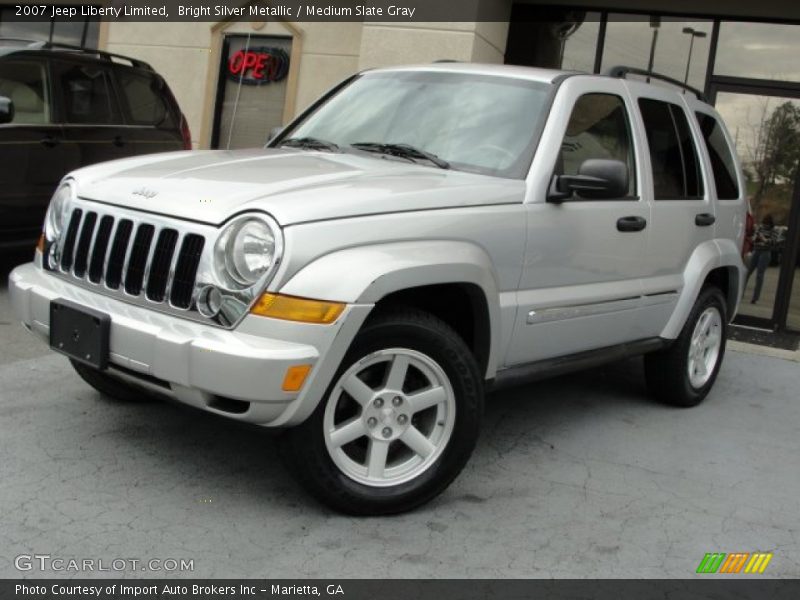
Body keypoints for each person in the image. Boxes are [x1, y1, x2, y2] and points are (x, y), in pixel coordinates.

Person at [745, 214, 777, 304]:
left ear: (770, 223)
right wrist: (755, 237)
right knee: (748, 272)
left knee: (759, 275)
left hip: (765, 253)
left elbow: (773, 242)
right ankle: (741, 293)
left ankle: (755, 298)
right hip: (756, 250)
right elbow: (753, 239)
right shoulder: (760, 228)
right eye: (764, 223)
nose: (765, 225)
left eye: (767, 224)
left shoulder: (773, 230)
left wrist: (764, 239)